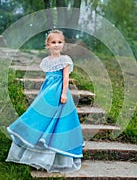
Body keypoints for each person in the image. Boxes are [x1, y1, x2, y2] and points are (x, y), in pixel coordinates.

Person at [6, 29, 84, 173]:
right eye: (53, 42)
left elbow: (65, 78)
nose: (56, 45)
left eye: (59, 42)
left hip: (59, 91)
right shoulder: (46, 61)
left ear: (63, 44)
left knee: (60, 121)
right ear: (47, 45)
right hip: (48, 92)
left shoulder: (65, 60)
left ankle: (57, 157)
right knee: (40, 116)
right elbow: (48, 78)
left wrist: (64, 94)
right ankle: (32, 146)